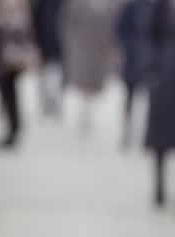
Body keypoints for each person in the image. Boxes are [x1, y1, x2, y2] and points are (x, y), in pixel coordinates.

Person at [60, 0, 122, 131]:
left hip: (99, 49)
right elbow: (66, 24)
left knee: (94, 85)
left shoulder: (110, 5)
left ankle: (89, 112)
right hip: (81, 47)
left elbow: (114, 25)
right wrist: (71, 42)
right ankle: (84, 112)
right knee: (83, 83)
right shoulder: (76, 4)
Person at [0, 0, 37, 148]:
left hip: (10, 55)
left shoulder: (15, 8)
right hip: (6, 53)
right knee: (8, 94)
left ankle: (13, 130)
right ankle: (12, 129)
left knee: (9, 94)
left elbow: (23, 28)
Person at [145, 0, 175, 207]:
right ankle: (159, 187)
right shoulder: (160, 6)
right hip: (164, 80)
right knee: (161, 140)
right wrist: (152, 68)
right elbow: (148, 37)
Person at [116, 0, 155, 147]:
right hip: (132, 62)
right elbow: (120, 30)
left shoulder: (156, 7)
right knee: (129, 98)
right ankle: (127, 129)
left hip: (151, 63)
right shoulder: (131, 6)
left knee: (149, 100)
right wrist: (130, 47)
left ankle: (144, 132)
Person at [32, 0, 65, 116]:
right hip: (44, 44)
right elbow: (35, 20)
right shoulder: (41, 3)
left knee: (57, 77)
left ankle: (55, 104)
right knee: (44, 77)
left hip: (59, 45)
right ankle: (45, 104)